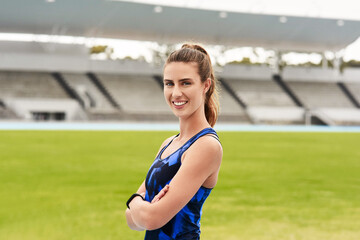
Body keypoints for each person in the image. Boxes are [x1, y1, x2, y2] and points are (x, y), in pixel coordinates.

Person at [125, 43, 223, 240]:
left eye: (185, 83)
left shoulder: (206, 146)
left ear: (206, 85)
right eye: (169, 83)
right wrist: (140, 207)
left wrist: (135, 202)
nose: (176, 93)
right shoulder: (168, 144)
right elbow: (131, 221)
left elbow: (152, 219)